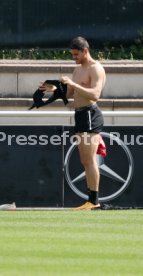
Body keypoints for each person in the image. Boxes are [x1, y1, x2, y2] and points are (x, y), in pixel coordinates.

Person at [61, 37, 106, 210]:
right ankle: (91, 201)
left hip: (90, 115)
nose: (74, 57)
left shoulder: (96, 69)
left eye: (76, 54)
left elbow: (95, 94)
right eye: (72, 54)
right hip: (79, 115)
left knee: (89, 159)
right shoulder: (78, 69)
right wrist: (54, 89)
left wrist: (72, 83)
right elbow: (69, 93)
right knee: (85, 160)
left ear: (85, 51)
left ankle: (94, 201)